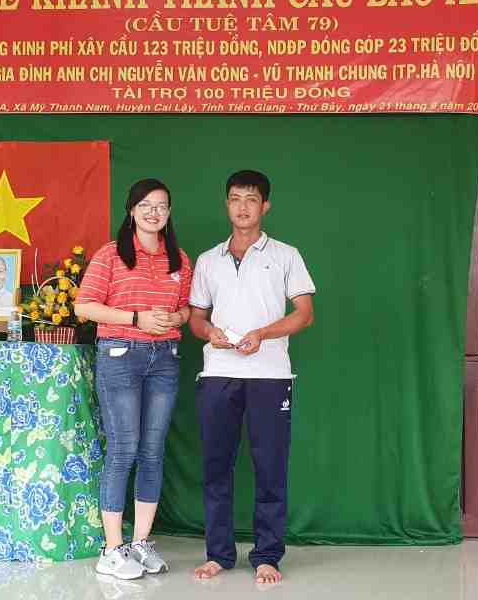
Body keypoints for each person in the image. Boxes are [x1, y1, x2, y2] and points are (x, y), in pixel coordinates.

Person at [188, 170, 315, 585]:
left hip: (271, 376)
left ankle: (267, 556)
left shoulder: (286, 255)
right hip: (217, 374)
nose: (242, 207)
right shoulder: (208, 260)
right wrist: (209, 332)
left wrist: (263, 334)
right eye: (235, 198)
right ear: (226, 204)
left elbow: (304, 314)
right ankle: (218, 554)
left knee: (270, 467)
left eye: (251, 199)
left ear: (265, 206)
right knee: (216, 467)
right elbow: (196, 317)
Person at [72, 178, 193, 580]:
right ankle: (111, 549)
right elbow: (85, 306)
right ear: (131, 211)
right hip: (120, 357)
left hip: (165, 359)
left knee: (152, 451)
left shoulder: (179, 259)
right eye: (145, 205)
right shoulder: (111, 255)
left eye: (161, 206)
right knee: (123, 448)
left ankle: (139, 543)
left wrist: (176, 318)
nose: (153, 212)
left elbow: (187, 311)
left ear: (169, 213)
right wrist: (136, 318)